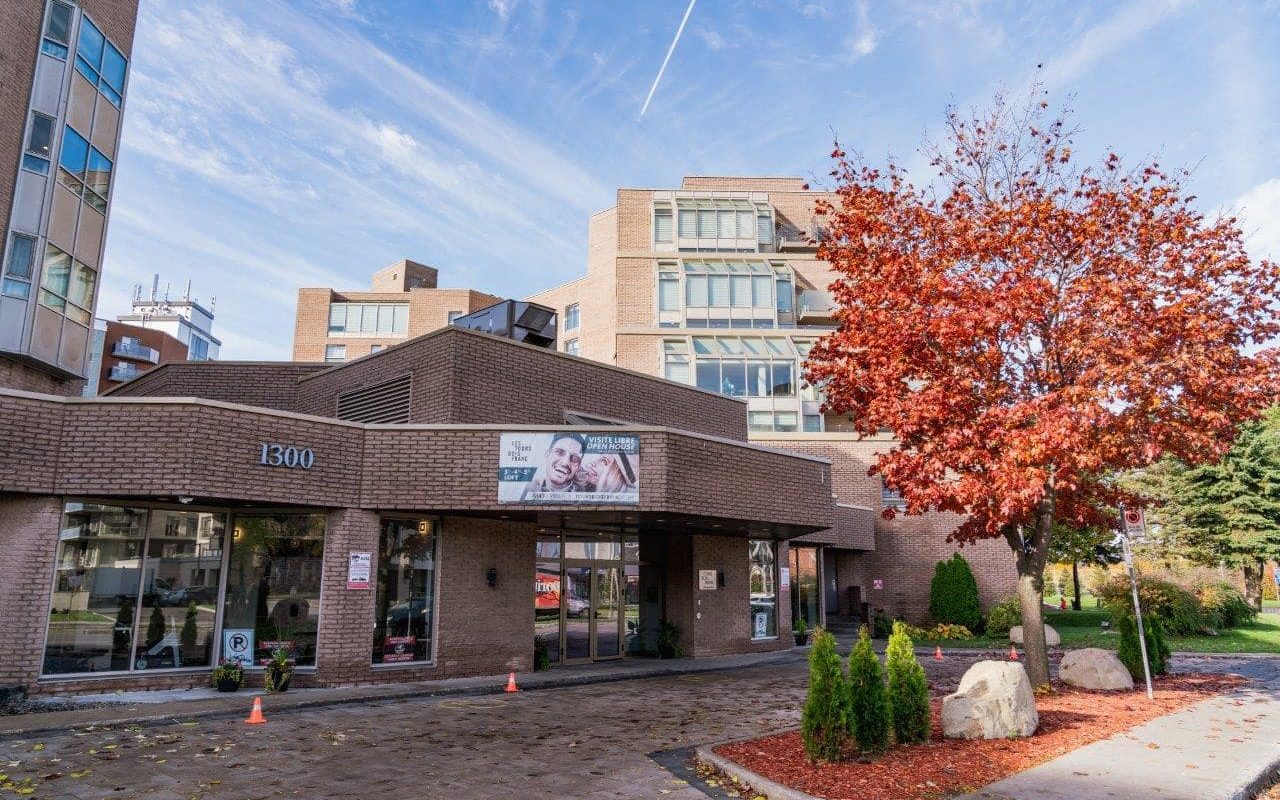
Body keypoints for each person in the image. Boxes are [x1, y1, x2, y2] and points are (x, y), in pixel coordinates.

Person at [522, 432, 586, 498]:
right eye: (559, 452)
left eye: (574, 458)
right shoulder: (526, 489)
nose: (565, 462)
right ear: (547, 455)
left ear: (579, 466)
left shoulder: (584, 497)